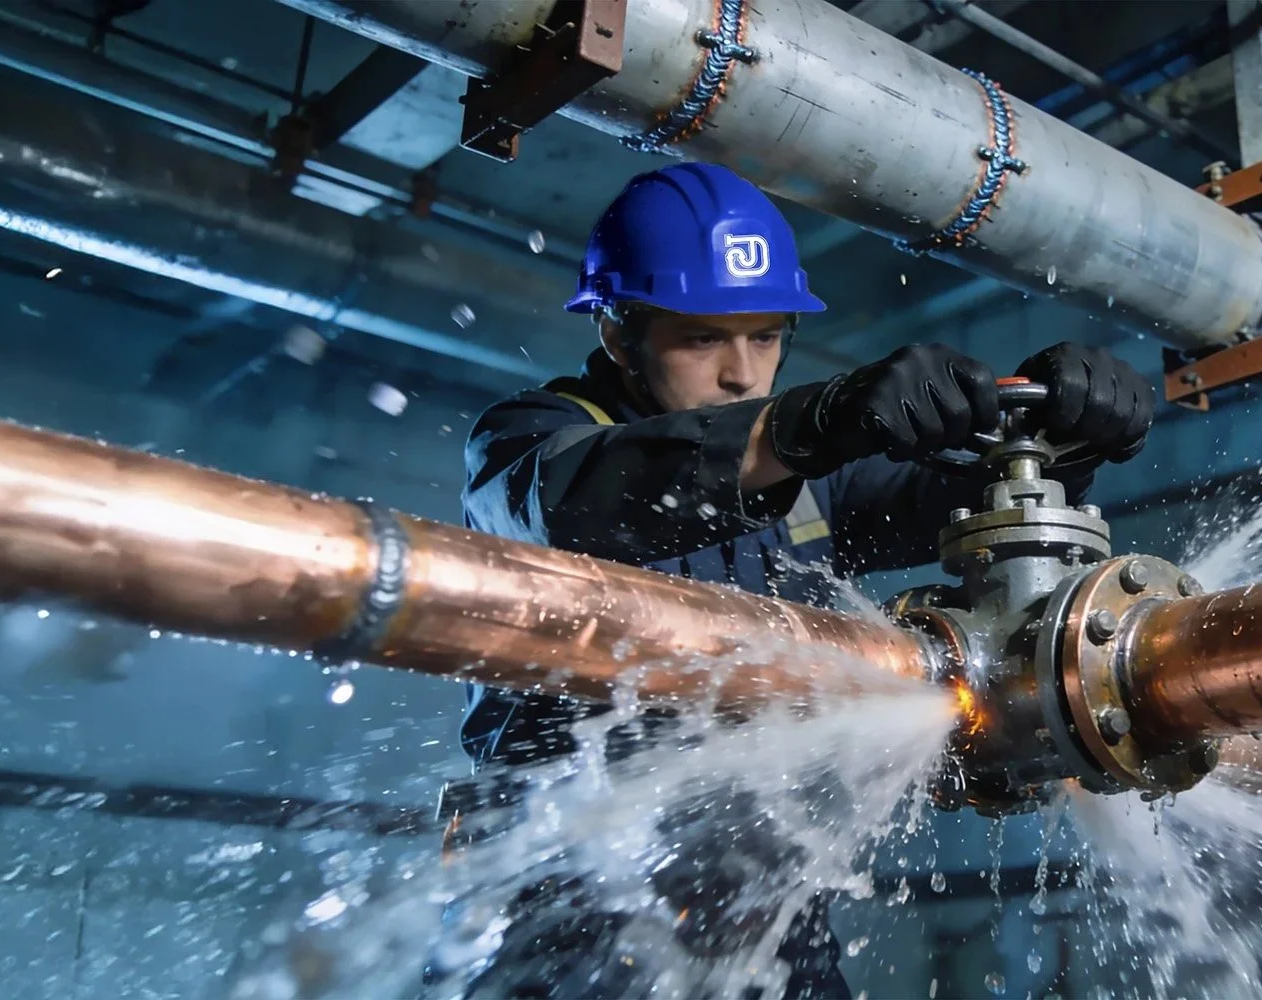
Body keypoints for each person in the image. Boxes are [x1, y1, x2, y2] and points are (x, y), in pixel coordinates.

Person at [445, 162, 1154, 998]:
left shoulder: (807, 486)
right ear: (616, 333)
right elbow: (567, 503)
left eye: (767, 335)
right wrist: (803, 424)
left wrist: (1060, 444)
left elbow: (947, 501)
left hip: (761, 882)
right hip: (563, 884)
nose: (744, 374)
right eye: (703, 338)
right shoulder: (532, 442)